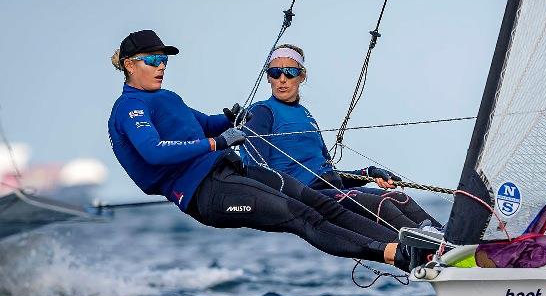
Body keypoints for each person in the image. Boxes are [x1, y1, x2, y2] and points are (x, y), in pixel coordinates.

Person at [108, 30, 411, 271]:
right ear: (130, 65)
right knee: (301, 217)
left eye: (164, 59)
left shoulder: (167, 98)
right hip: (204, 193)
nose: (161, 65)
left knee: (320, 202)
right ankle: (395, 255)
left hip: (227, 171)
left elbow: (205, 123)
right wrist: (217, 142)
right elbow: (155, 152)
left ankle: (413, 246)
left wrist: (231, 119)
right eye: (152, 60)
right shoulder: (129, 108)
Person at [239, 43, 442, 232]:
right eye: (275, 72)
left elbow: (327, 174)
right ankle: (437, 248)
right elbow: (255, 170)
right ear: (268, 77)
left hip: (330, 189)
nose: (282, 79)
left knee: (399, 197)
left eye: (290, 72)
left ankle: (452, 241)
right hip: (306, 197)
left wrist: (368, 172)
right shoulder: (261, 112)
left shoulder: (305, 115)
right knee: (382, 205)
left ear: (302, 76)